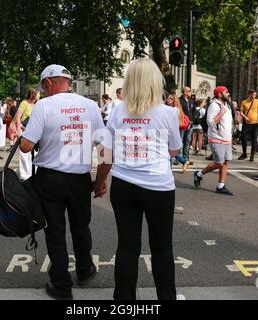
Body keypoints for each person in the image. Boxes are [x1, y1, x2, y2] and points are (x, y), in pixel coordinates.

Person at [94, 59, 183, 300]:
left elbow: (106, 153)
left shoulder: (117, 111)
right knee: (162, 248)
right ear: (156, 82)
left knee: (127, 247)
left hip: (123, 185)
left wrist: (99, 181)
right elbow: (175, 149)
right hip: (158, 186)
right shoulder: (167, 113)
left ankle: (124, 302)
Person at [20, 64, 104, 300]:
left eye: (43, 86)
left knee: (54, 232)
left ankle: (61, 284)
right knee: (81, 226)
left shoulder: (44, 105)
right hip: (79, 179)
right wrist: (100, 180)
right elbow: (105, 147)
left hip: (50, 179)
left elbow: (26, 146)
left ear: (48, 83)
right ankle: (85, 270)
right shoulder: (90, 105)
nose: (43, 91)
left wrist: (26, 136)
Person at [194, 86, 234, 196]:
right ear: (220, 94)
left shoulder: (227, 106)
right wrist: (221, 113)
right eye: (226, 92)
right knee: (219, 162)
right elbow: (210, 123)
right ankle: (199, 174)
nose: (228, 93)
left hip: (227, 138)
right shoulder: (214, 105)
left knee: (225, 162)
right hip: (216, 138)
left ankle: (220, 186)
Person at [14, 88, 38, 181]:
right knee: (24, 153)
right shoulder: (24, 103)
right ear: (34, 95)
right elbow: (18, 116)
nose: (39, 96)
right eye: (38, 94)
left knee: (35, 153)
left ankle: (34, 172)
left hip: (34, 131)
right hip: (25, 130)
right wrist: (19, 129)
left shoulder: (37, 105)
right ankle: (24, 175)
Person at [166, 93, 190, 172]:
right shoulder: (174, 109)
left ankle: (169, 168)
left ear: (174, 101)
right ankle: (184, 161)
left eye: (171, 99)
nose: (168, 100)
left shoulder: (174, 109)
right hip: (172, 131)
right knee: (170, 150)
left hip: (172, 131)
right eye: (168, 98)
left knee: (169, 150)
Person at [239, 89, 258, 162]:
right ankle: (244, 153)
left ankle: (252, 156)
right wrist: (245, 117)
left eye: (255, 95)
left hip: (255, 123)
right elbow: (241, 112)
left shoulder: (257, 101)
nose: (254, 96)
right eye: (253, 94)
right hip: (246, 124)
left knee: (254, 140)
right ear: (249, 95)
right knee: (244, 139)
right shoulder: (244, 102)